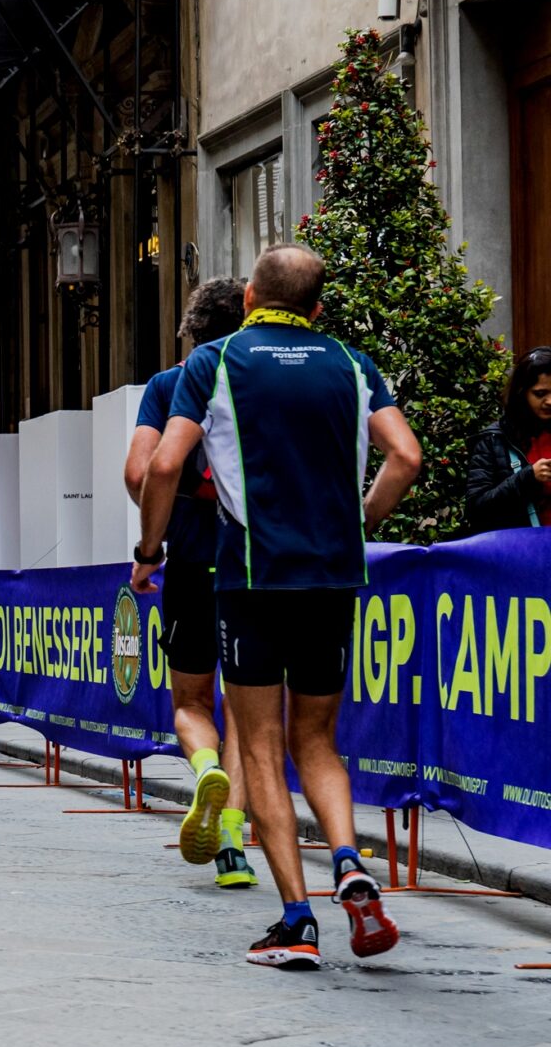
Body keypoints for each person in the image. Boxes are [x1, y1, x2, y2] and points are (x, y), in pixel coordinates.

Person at [135, 243, 421, 970]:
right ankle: (351, 861)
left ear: (254, 298)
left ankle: (296, 919)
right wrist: (362, 524)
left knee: (260, 746)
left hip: (251, 577)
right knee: (319, 740)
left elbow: (163, 465)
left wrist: (149, 550)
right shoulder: (352, 363)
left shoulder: (214, 362)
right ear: (318, 307)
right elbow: (407, 457)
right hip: (332, 577)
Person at [125, 277, 257, 889]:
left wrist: (156, 539)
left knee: (192, 703)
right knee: (255, 715)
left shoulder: (167, 384)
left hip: (193, 556)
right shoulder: (266, 380)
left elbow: (142, 470)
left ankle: (204, 766)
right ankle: (232, 842)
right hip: (261, 562)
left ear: (192, 329)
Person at [465, 345, 551, 532]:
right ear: (522, 393)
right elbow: (476, 509)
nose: (550, 401)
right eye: (540, 394)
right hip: (522, 552)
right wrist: (528, 477)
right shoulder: (494, 441)